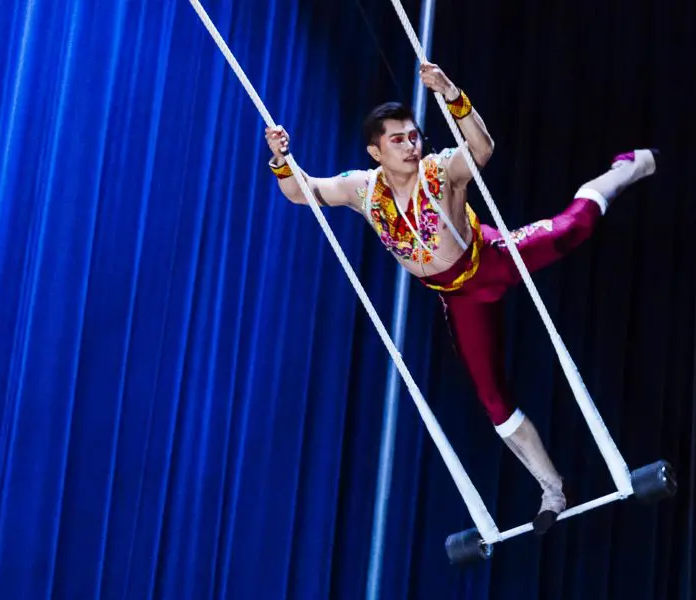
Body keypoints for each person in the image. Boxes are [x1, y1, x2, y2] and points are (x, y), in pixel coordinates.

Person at [263, 62, 657, 534]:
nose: (411, 146)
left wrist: (451, 93)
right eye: (397, 140)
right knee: (492, 399)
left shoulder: (439, 171)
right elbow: (299, 192)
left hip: (491, 257)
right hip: (457, 296)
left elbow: (481, 148)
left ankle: (624, 171)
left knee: (573, 227)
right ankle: (553, 488)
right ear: (375, 150)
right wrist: (282, 159)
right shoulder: (361, 190)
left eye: (413, 136)